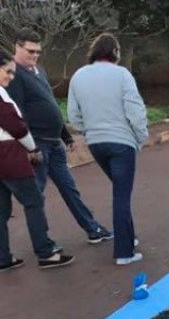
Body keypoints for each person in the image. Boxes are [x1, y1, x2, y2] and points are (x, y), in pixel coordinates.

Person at [7, 29, 111, 245]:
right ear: (17, 47)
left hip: (54, 144)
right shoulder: (14, 75)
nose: (35, 55)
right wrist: (29, 148)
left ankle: (92, 228)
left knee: (69, 188)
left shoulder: (39, 71)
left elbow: (51, 104)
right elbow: (18, 113)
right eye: (30, 51)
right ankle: (44, 246)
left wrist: (66, 136)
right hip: (37, 145)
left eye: (38, 52)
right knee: (35, 198)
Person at [67, 33, 148, 266]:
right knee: (122, 195)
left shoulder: (78, 76)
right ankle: (124, 252)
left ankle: (128, 238)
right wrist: (139, 138)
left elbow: (73, 114)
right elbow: (135, 110)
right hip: (122, 143)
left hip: (96, 143)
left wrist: (88, 130)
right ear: (115, 52)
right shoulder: (122, 75)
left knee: (120, 191)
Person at [0, 51, 74, 271]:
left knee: (1, 210)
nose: (11, 77)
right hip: (9, 154)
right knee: (34, 201)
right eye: (8, 71)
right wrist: (32, 148)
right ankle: (45, 252)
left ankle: (3, 257)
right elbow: (15, 124)